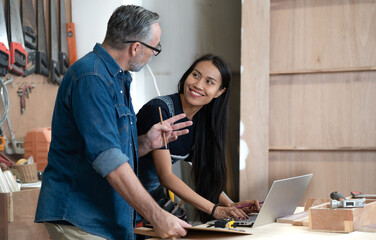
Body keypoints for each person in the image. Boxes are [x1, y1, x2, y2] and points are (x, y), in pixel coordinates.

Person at [35, 5, 193, 240]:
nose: (153, 55)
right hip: (80, 218)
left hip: (103, 219)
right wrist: (157, 215)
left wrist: (145, 144)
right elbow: (107, 159)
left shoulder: (115, 79)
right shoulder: (92, 78)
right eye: (155, 48)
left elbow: (104, 149)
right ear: (136, 47)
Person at [136, 54, 260, 224]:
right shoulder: (159, 110)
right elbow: (165, 176)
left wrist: (231, 206)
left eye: (209, 82)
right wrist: (214, 209)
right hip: (124, 192)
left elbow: (205, 177)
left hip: (149, 194)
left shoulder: (202, 122)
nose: (197, 85)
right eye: (195, 75)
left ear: (219, 92)